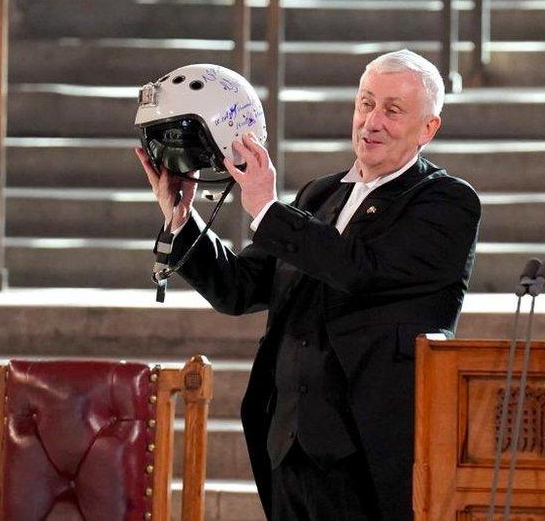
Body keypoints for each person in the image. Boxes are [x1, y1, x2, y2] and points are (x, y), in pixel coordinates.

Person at [135, 49, 480, 520]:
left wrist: (266, 208)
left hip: (372, 453)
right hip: (289, 448)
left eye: (392, 110)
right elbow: (240, 288)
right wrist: (182, 218)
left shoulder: (446, 202)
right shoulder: (320, 195)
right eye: (365, 103)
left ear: (428, 129)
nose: (371, 121)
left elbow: (358, 270)